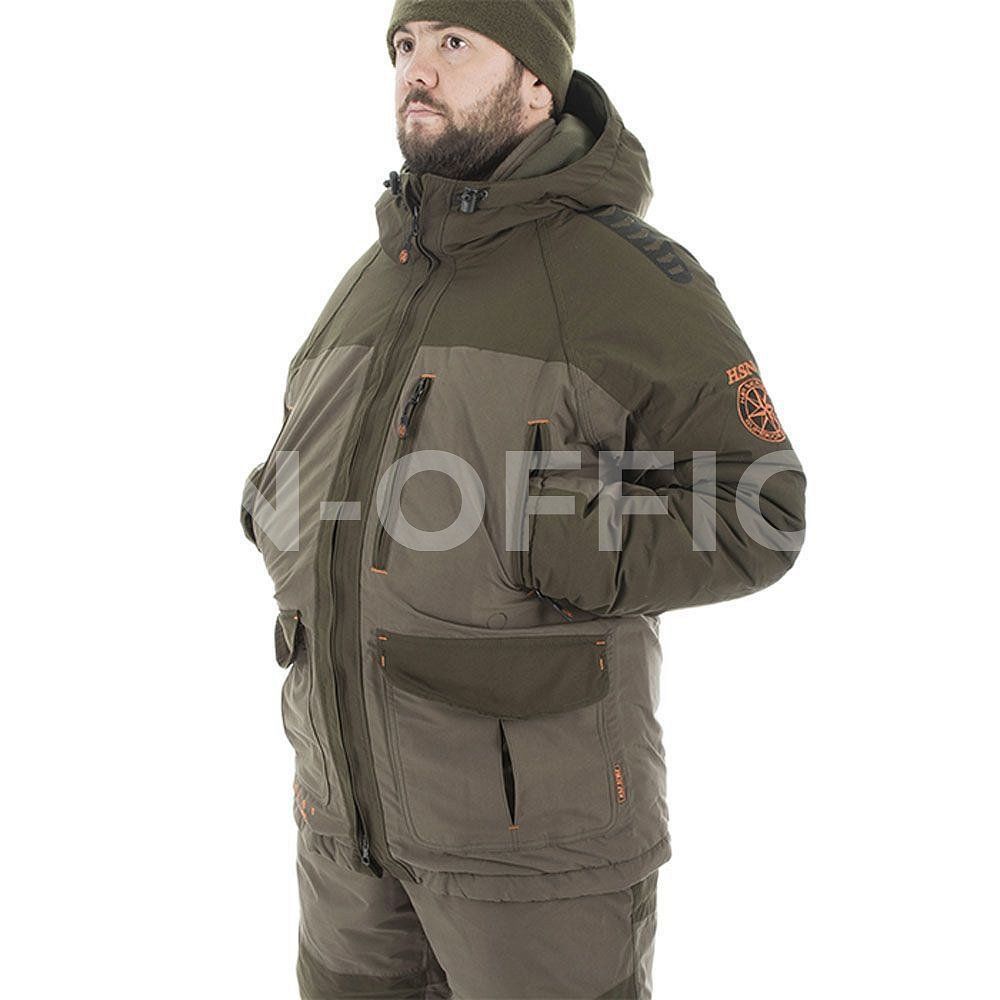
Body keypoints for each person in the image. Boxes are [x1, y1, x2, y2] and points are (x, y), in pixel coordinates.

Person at [240, 2, 808, 996]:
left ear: (537, 84)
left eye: (454, 43)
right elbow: (304, 467)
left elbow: (761, 506)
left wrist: (557, 534)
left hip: (531, 858)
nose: (417, 69)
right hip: (345, 839)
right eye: (405, 45)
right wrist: (276, 511)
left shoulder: (623, 276)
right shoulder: (376, 276)